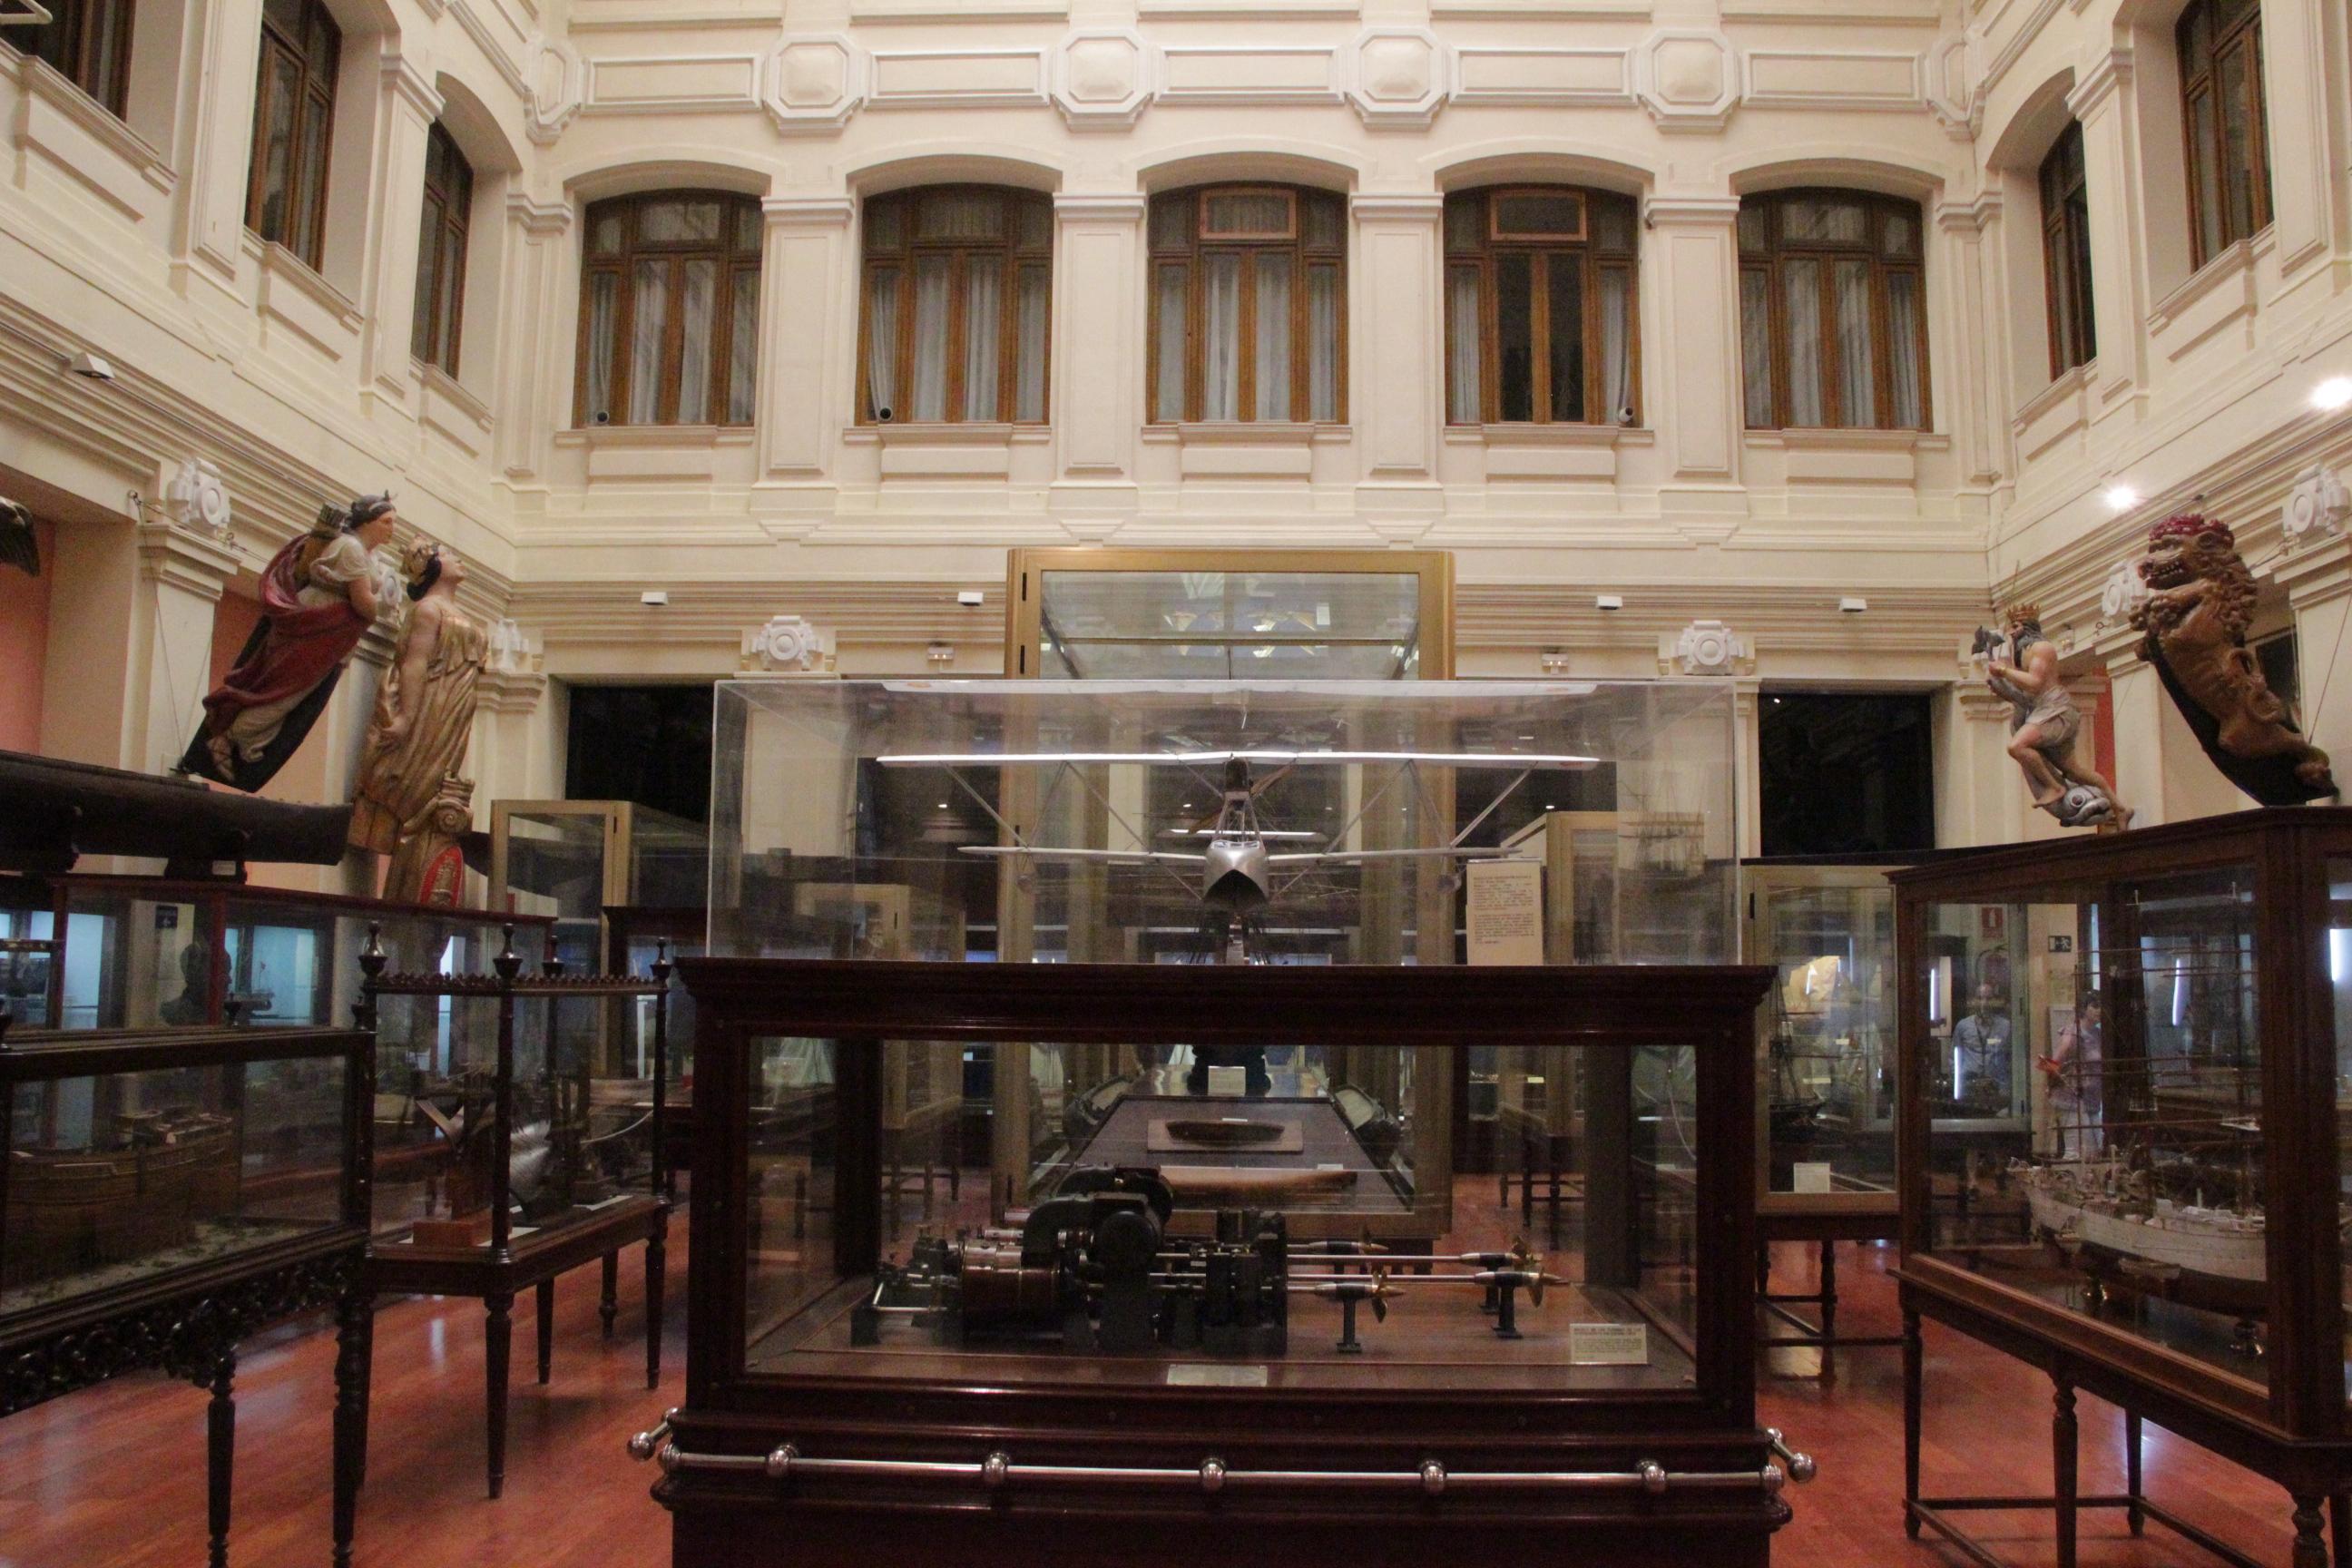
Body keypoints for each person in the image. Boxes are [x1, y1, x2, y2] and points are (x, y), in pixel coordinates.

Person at [181, 496, 401, 792]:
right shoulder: (351, 549)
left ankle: (234, 738)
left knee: (292, 694)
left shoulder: (362, 553)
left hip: (330, 631)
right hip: (317, 624)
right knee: (284, 691)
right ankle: (228, 737)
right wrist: (387, 614)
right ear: (366, 522)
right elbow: (363, 604)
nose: (392, 529)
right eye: (386, 522)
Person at [349, 541, 488, 903]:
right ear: (431, 565)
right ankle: (406, 892)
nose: (459, 558)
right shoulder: (427, 610)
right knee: (423, 794)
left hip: (454, 711)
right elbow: (414, 663)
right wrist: (408, 717)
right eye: (450, 554)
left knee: (441, 790)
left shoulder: (451, 611)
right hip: (431, 712)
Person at [1984, 602, 2132, 829]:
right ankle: (2120, 807)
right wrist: (1999, 684)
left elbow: (2034, 684)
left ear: (2028, 626)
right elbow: (2024, 695)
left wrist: (2003, 671)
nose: (2012, 632)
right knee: (2074, 770)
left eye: (2016, 627)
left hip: (2055, 710)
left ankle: (2055, 787)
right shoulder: (2022, 653)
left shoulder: (2043, 649)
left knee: (2017, 746)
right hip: (2042, 710)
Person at [2041, 995, 2104, 1160]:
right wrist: (2052, 1084)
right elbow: (2052, 1063)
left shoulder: (2099, 1035)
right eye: (2095, 1005)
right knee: (2075, 1150)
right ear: (2083, 1008)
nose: (2099, 1010)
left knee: (2095, 1149)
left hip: (2092, 1099)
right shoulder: (2071, 1034)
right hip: (2071, 1098)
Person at [1950, 983, 2014, 1110]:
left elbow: (2012, 1058)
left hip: (1998, 1089)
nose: (1984, 1002)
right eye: (1979, 998)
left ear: (1994, 1001)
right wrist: (1958, 1083)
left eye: (1988, 998)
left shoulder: (2006, 1026)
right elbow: (1954, 1058)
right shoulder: (1963, 1026)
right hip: (1969, 1088)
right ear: (1973, 1001)